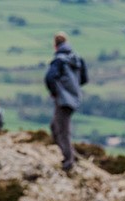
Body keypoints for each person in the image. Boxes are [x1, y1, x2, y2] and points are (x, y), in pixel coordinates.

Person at [45, 31, 88, 171]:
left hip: (63, 98)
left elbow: (50, 78)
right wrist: (73, 87)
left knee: (62, 130)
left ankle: (69, 160)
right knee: (56, 126)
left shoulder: (59, 60)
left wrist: (55, 91)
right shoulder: (77, 58)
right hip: (74, 97)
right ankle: (70, 155)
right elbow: (84, 79)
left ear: (55, 45)